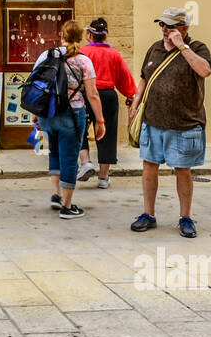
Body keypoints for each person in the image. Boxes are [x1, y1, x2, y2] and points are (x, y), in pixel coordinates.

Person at [128, 7, 211, 239]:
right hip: (153, 119)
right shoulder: (154, 49)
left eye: (170, 26)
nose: (165, 30)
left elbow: (205, 70)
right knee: (149, 166)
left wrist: (182, 47)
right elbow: (144, 78)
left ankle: (185, 217)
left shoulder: (197, 48)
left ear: (184, 28)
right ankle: (148, 214)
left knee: (183, 170)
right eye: (162, 25)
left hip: (184, 122)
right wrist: (136, 104)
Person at [34, 19, 105, 219]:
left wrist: (34, 113)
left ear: (61, 35)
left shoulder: (46, 55)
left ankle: (56, 194)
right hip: (72, 113)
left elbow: (36, 84)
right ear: (81, 37)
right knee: (69, 157)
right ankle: (67, 205)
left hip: (48, 112)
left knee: (54, 152)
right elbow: (92, 94)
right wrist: (100, 121)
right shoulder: (84, 61)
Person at [77, 17, 137, 188]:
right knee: (108, 134)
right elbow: (124, 78)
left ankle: (86, 162)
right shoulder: (114, 54)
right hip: (109, 96)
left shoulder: (83, 52)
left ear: (89, 35)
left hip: (87, 94)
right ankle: (103, 178)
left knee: (79, 127)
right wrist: (130, 95)